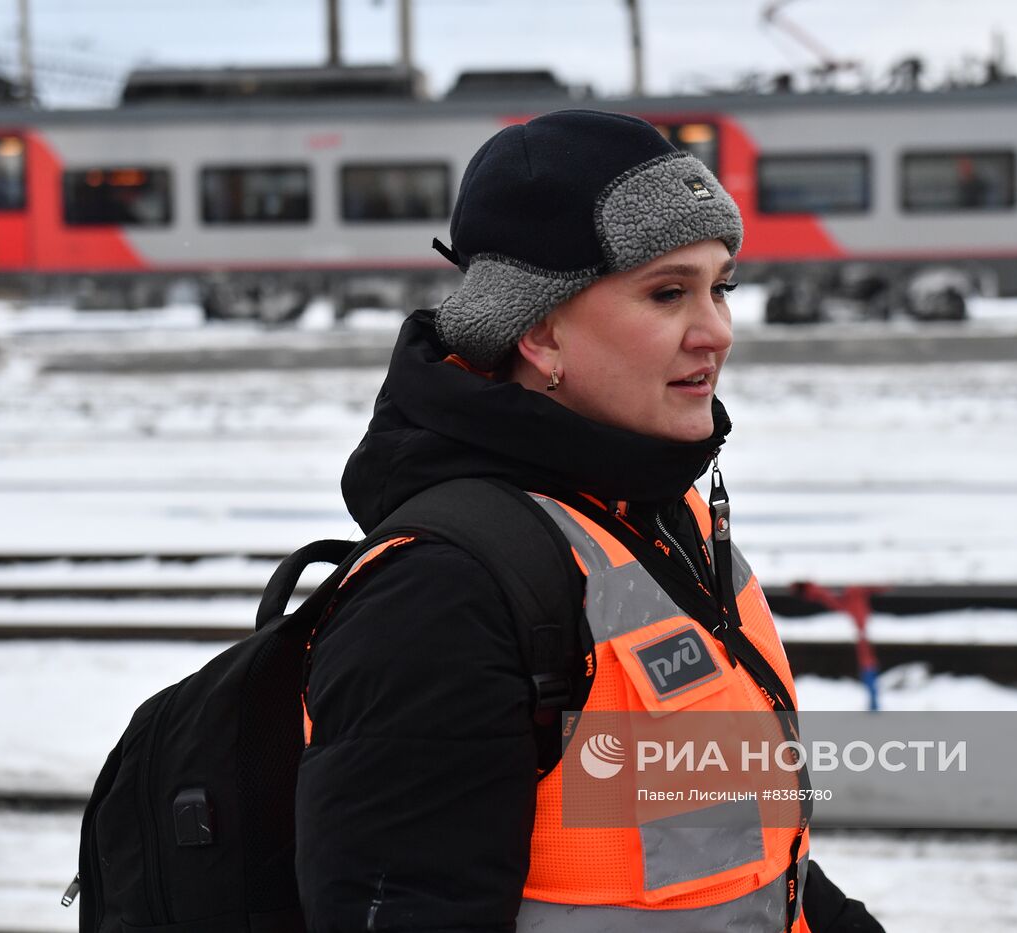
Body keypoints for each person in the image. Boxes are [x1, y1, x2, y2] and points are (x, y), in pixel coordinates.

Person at [296, 109, 883, 933]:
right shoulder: (440, 597)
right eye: (668, 292)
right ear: (537, 331)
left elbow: (732, 864)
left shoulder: (655, 520)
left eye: (722, 287)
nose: (715, 330)